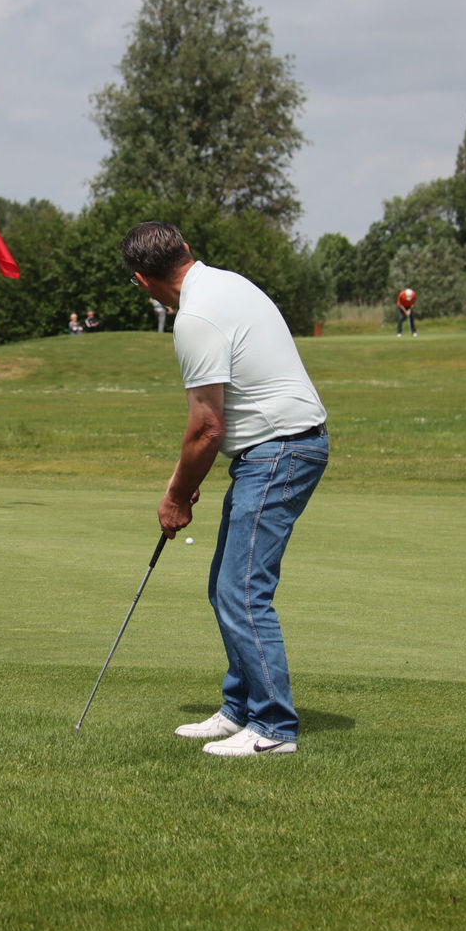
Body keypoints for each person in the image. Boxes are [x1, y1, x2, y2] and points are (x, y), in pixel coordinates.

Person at [122, 221, 328, 758]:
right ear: (186, 251)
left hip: (280, 450)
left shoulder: (195, 317)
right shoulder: (228, 282)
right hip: (279, 447)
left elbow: (207, 426)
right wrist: (182, 488)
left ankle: (274, 728)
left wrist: (175, 497)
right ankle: (240, 708)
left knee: (242, 592)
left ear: (142, 281)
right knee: (226, 587)